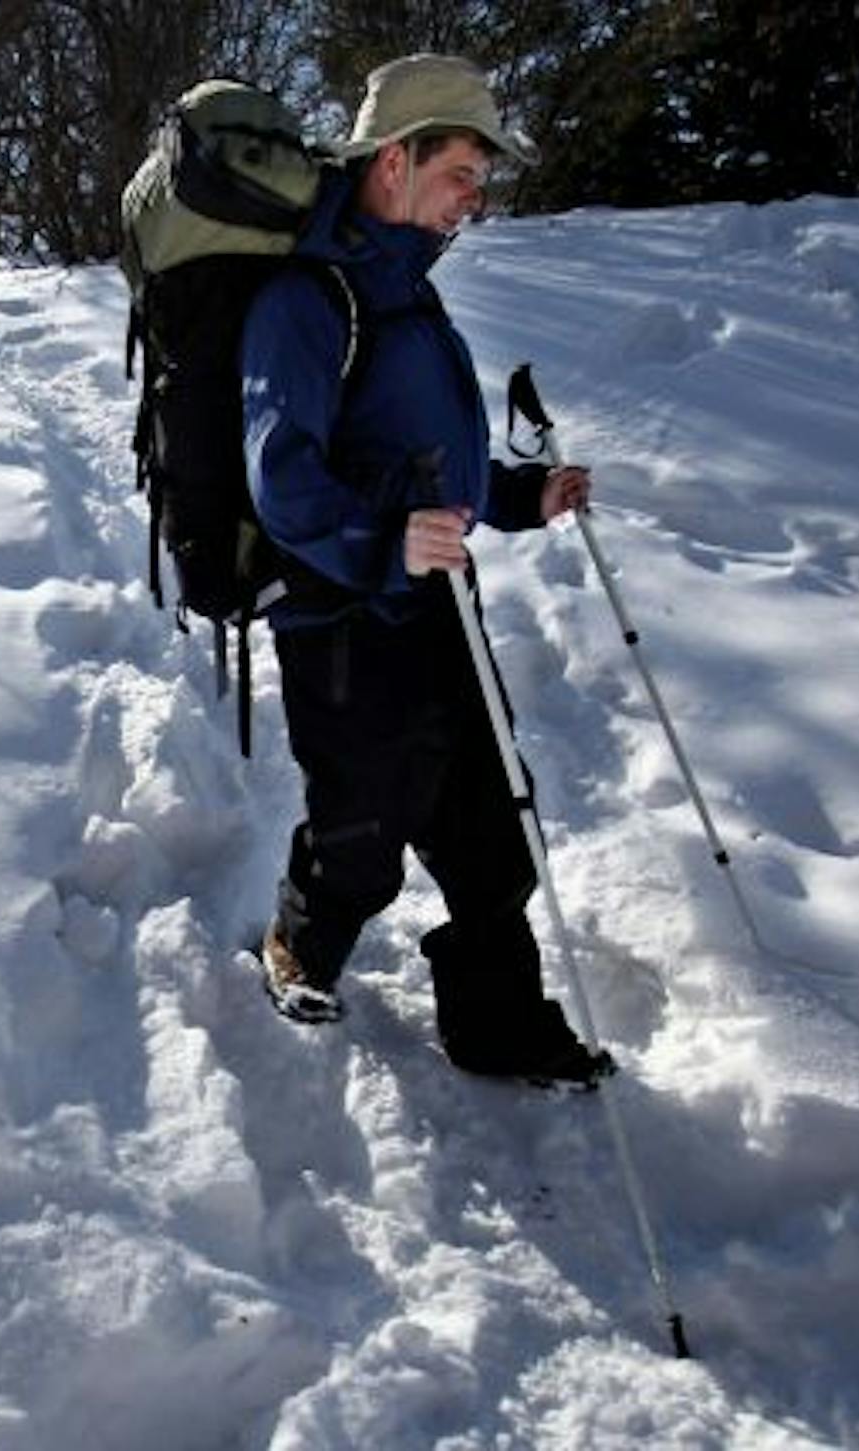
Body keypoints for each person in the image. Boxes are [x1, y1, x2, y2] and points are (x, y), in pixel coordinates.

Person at [240, 53, 613, 1086]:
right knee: (363, 830)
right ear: (396, 161)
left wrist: (514, 496)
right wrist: (384, 541)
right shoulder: (307, 299)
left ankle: (499, 1031)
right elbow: (282, 480)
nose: (474, 198)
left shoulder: (409, 292)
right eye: (462, 172)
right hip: (344, 616)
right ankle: (299, 944)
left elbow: (426, 455)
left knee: (496, 823)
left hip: (437, 601)